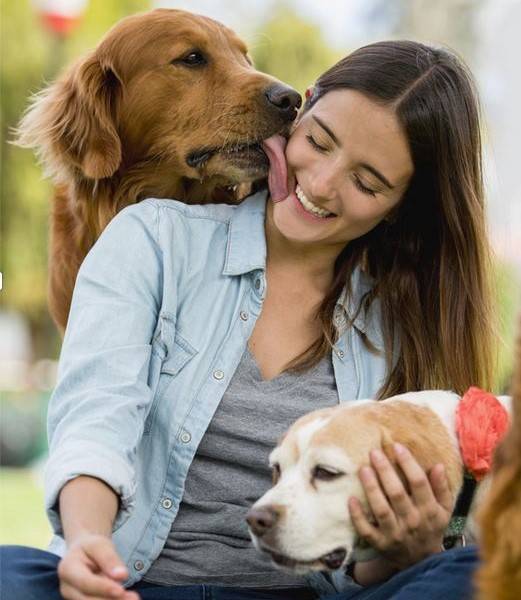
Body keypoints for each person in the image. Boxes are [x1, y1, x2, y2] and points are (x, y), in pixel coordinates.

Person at [1, 40, 495, 600]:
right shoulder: (155, 240)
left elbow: (365, 564)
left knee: (477, 573)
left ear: (401, 205)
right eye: (319, 141)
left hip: (309, 595)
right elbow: (96, 415)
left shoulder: (404, 320)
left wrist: (406, 550)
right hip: (135, 584)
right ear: (301, 110)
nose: (322, 183)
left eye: (367, 182)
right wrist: (88, 539)